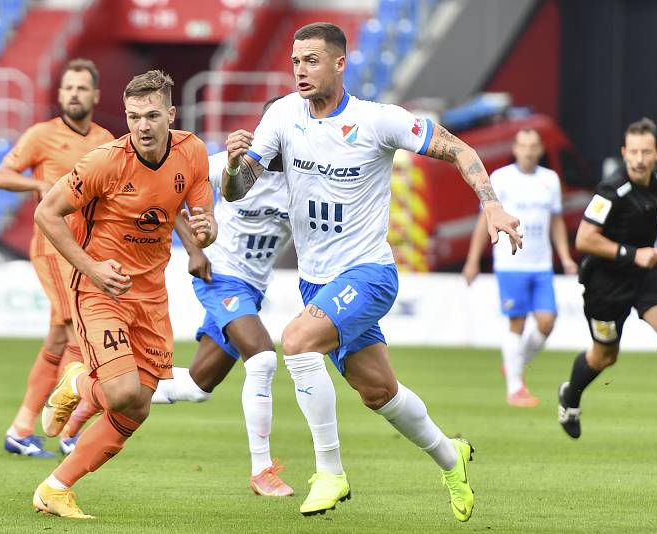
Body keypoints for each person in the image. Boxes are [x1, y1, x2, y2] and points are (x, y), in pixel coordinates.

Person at [221, 22, 522, 521]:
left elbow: (459, 149)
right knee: (378, 392)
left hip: (368, 273)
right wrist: (234, 166)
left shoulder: (378, 120)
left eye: (312, 60)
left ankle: (331, 473)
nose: (300, 70)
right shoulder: (281, 116)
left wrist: (491, 205)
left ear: (340, 63)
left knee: (295, 343)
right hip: (317, 280)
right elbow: (237, 189)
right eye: (296, 61)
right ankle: (452, 457)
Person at [30, 70, 216, 519]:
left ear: (171, 113)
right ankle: (78, 382)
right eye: (134, 116)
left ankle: (55, 488)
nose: (143, 126)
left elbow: (191, 213)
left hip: (151, 296)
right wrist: (91, 267)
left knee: (138, 407)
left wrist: (201, 242)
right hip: (99, 289)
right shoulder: (104, 162)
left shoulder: (191, 152)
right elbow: (46, 213)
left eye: (153, 116)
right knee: (120, 391)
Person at [150, 99, 295, 497]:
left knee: (197, 387)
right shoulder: (229, 164)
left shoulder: (305, 177)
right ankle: (262, 470)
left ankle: (93, 385)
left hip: (252, 290)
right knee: (263, 358)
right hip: (219, 276)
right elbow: (167, 192)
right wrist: (194, 250)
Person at [557, 117, 657, 447]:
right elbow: (585, 239)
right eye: (634, 152)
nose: (640, 159)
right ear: (624, 153)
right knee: (604, 356)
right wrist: (633, 255)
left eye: (646, 151)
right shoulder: (611, 191)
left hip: (646, 274)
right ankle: (570, 395)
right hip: (606, 282)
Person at [0, 58, 114, 457]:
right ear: (60, 94)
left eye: (81, 88)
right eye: (68, 88)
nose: (73, 94)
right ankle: (65, 429)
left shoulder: (105, 139)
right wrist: (38, 182)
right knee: (74, 327)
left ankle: (23, 428)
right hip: (50, 245)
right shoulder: (41, 136)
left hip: (83, 251)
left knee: (61, 336)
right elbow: (1, 175)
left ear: (94, 95)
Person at [463, 129, 577, 407]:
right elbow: (484, 220)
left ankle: (515, 363)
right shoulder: (501, 179)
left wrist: (565, 256)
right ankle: (515, 388)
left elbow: (556, 221)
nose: (528, 150)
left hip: (541, 264)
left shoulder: (550, 180)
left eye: (533, 145)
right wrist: (473, 259)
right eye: (523, 145)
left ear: (540, 150)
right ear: (515, 149)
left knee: (547, 322)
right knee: (517, 322)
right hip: (511, 263)